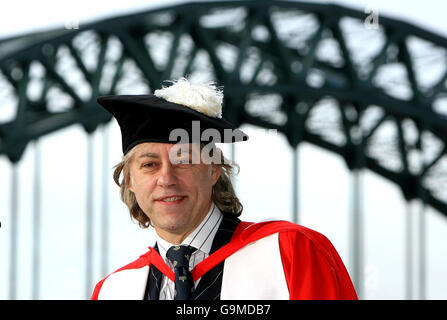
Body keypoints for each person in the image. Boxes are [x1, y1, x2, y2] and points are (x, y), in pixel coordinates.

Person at [91, 78, 358, 300]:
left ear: (214, 168)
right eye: (149, 164)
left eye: (184, 160)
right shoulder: (113, 291)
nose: (166, 178)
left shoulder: (291, 253)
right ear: (129, 180)